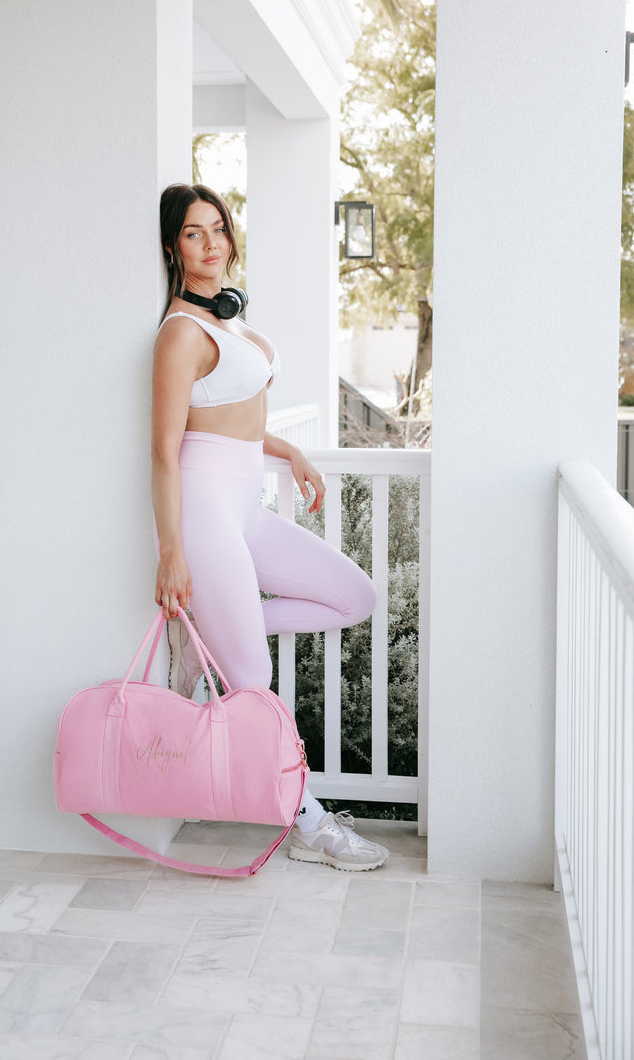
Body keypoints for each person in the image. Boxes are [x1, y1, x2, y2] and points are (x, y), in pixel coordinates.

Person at [151, 182, 389, 872]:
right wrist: (172, 553)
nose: (212, 243)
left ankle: (209, 646)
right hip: (202, 510)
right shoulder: (179, 334)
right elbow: (166, 449)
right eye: (194, 233)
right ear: (174, 247)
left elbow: (237, 421)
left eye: (219, 228)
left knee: (353, 597)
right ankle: (308, 824)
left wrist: (286, 450)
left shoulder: (231, 323)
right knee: (254, 681)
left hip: (245, 501)